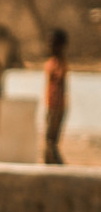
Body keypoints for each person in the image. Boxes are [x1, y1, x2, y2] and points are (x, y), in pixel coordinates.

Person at [44, 28, 69, 164]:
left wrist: (56, 108)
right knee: (49, 140)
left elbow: (60, 84)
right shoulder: (52, 61)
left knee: (50, 140)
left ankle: (57, 166)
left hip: (56, 106)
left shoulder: (60, 63)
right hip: (51, 105)